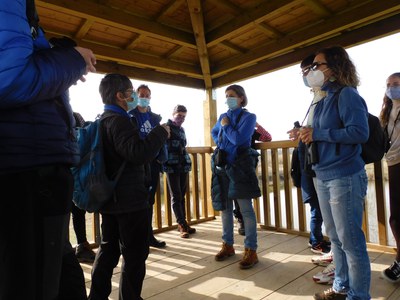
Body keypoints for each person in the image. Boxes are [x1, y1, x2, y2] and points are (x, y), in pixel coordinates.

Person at [0, 1, 96, 299]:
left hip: (33, 167)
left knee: (58, 278)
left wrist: (59, 56)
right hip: (26, 170)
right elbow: (9, 80)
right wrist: (72, 60)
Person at [88, 74, 169, 300]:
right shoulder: (120, 121)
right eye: (131, 92)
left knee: (108, 250)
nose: (133, 96)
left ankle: (96, 296)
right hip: (129, 201)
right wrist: (161, 133)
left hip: (110, 199)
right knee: (134, 254)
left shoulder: (102, 120)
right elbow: (138, 153)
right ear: (120, 96)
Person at [298, 46, 370, 300]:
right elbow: (321, 133)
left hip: (344, 176)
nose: (313, 70)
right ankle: (341, 288)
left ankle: (358, 295)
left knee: (351, 242)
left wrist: (319, 134)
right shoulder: (322, 98)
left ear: (335, 67)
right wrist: (306, 133)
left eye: (318, 65)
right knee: (337, 240)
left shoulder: (347, 94)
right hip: (323, 175)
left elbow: (359, 133)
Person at [211, 84, 261, 269]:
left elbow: (240, 139)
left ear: (241, 98)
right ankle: (228, 245)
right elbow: (214, 133)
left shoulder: (249, 117)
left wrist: (227, 128)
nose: (228, 99)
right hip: (222, 167)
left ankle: (251, 250)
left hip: (239, 167)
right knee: (225, 209)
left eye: (231, 95)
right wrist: (221, 140)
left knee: (246, 209)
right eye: (226, 96)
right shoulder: (223, 116)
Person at [287, 54, 331, 255]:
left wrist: (310, 131)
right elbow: (315, 126)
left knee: (323, 208)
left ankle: (320, 243)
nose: (306, 75)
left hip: (325, 161)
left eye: (309, 69)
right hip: (312, 161)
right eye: (303, 72)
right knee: (318, 205)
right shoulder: (315, 97)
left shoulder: (332, 95)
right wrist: (302, 131)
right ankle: (317, 241)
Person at [129, 84, 167, 249]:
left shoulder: (155, 118)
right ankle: (136, 238)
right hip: (137, 165)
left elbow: (162, 140)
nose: (144, 97)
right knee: (136, 201)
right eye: (141, 94)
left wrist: (160, 160)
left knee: (149, 201)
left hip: (153, 165)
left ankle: (148, 236)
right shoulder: (131, 116)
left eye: (147, 95)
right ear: (136, 96)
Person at [163, 105, 196, 238]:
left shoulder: (182, 129)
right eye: (179, 116)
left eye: (183, 116)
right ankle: (181, 224)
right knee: (176, 196)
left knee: (182, 195)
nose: (181, 119)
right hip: (171, 166)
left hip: (183, 166)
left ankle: (184, 223)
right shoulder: (166, 127)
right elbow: (163, 146)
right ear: (173, 114)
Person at [379, 72, 400, 283]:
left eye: (396, 84)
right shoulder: (386, 112)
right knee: (396, 217)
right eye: (388, 84)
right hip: (394, 163)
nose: (392, 87)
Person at [234, 122, 272, 236]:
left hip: (248, 166)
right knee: (237, 192)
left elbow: (268, 138)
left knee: (247, 192)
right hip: (235, 165)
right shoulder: (233, 131)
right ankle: (240, 219)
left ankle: (245, 220)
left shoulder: (251, 131)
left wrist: (257, 125)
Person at [72, 112, 97, 262]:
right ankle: (80, 245)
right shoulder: (75, 122)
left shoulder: (70, 118)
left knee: (75, 213)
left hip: (70, 176)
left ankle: (78, 246)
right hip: (74, 178)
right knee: (77, 213)